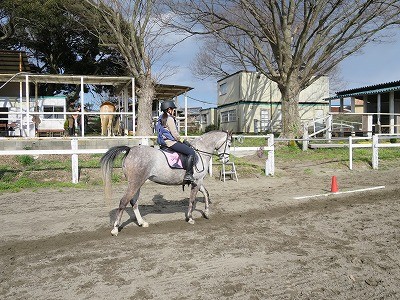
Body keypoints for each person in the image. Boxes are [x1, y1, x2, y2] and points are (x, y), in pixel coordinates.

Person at [156, 100, 196, 184]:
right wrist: (184, 141)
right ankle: (188, 174)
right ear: (169, 109)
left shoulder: (160, 118)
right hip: (170, 143)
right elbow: (175, 134)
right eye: (173, 109)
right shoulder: (169, 118)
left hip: (162, 143)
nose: (174, 111)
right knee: (191, 152)